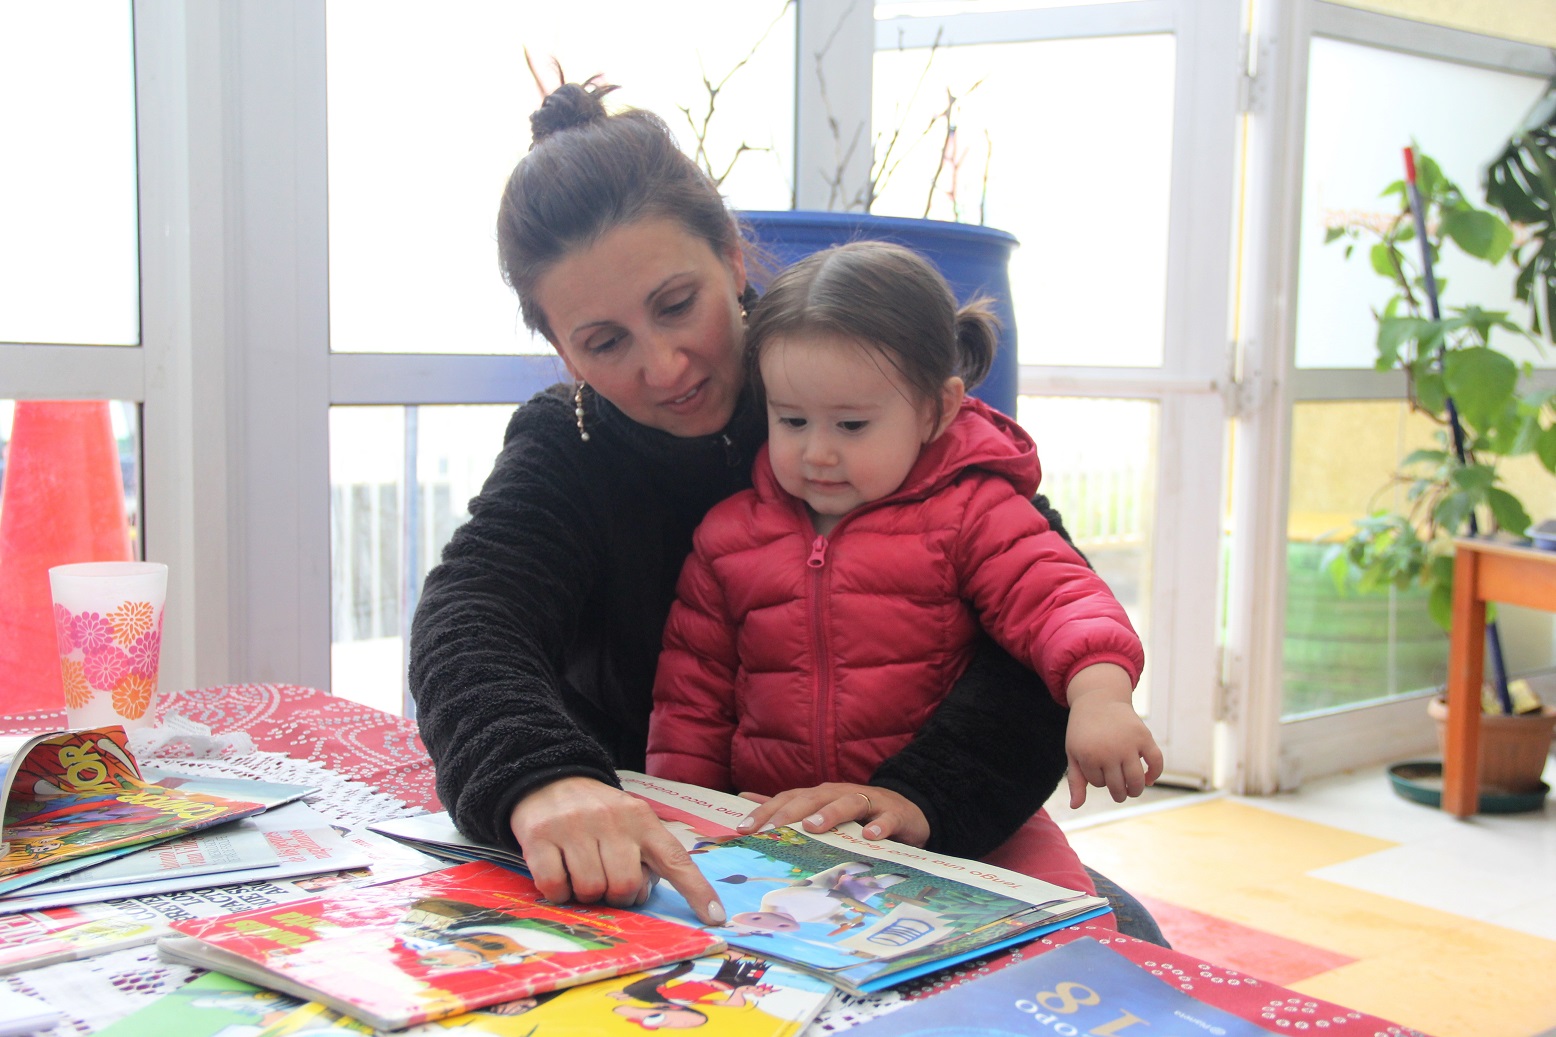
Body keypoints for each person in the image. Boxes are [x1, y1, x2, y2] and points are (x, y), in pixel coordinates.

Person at [407, 75, 1168, 944]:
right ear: (558, 349)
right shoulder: (566, 445)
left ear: (731, 256)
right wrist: (541, 777)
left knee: (1128, 950)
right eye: (604, 343)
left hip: (929, 832)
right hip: (693, 846)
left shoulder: (860, 369)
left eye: (676, 304)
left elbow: (1037, 623)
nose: (663, 367)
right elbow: (470, 619)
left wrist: (920, 797)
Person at [645, 241, 1164, 897]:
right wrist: (684, 815)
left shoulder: (972, 512)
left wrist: (1101, 696)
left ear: (937, 409)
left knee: (1077, 938)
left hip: (964, 830)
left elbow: (1062, 598)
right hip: (788, 832)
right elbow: (691, 703)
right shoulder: (729, 538)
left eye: (853, 424)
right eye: (792, 419)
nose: (817, 452)